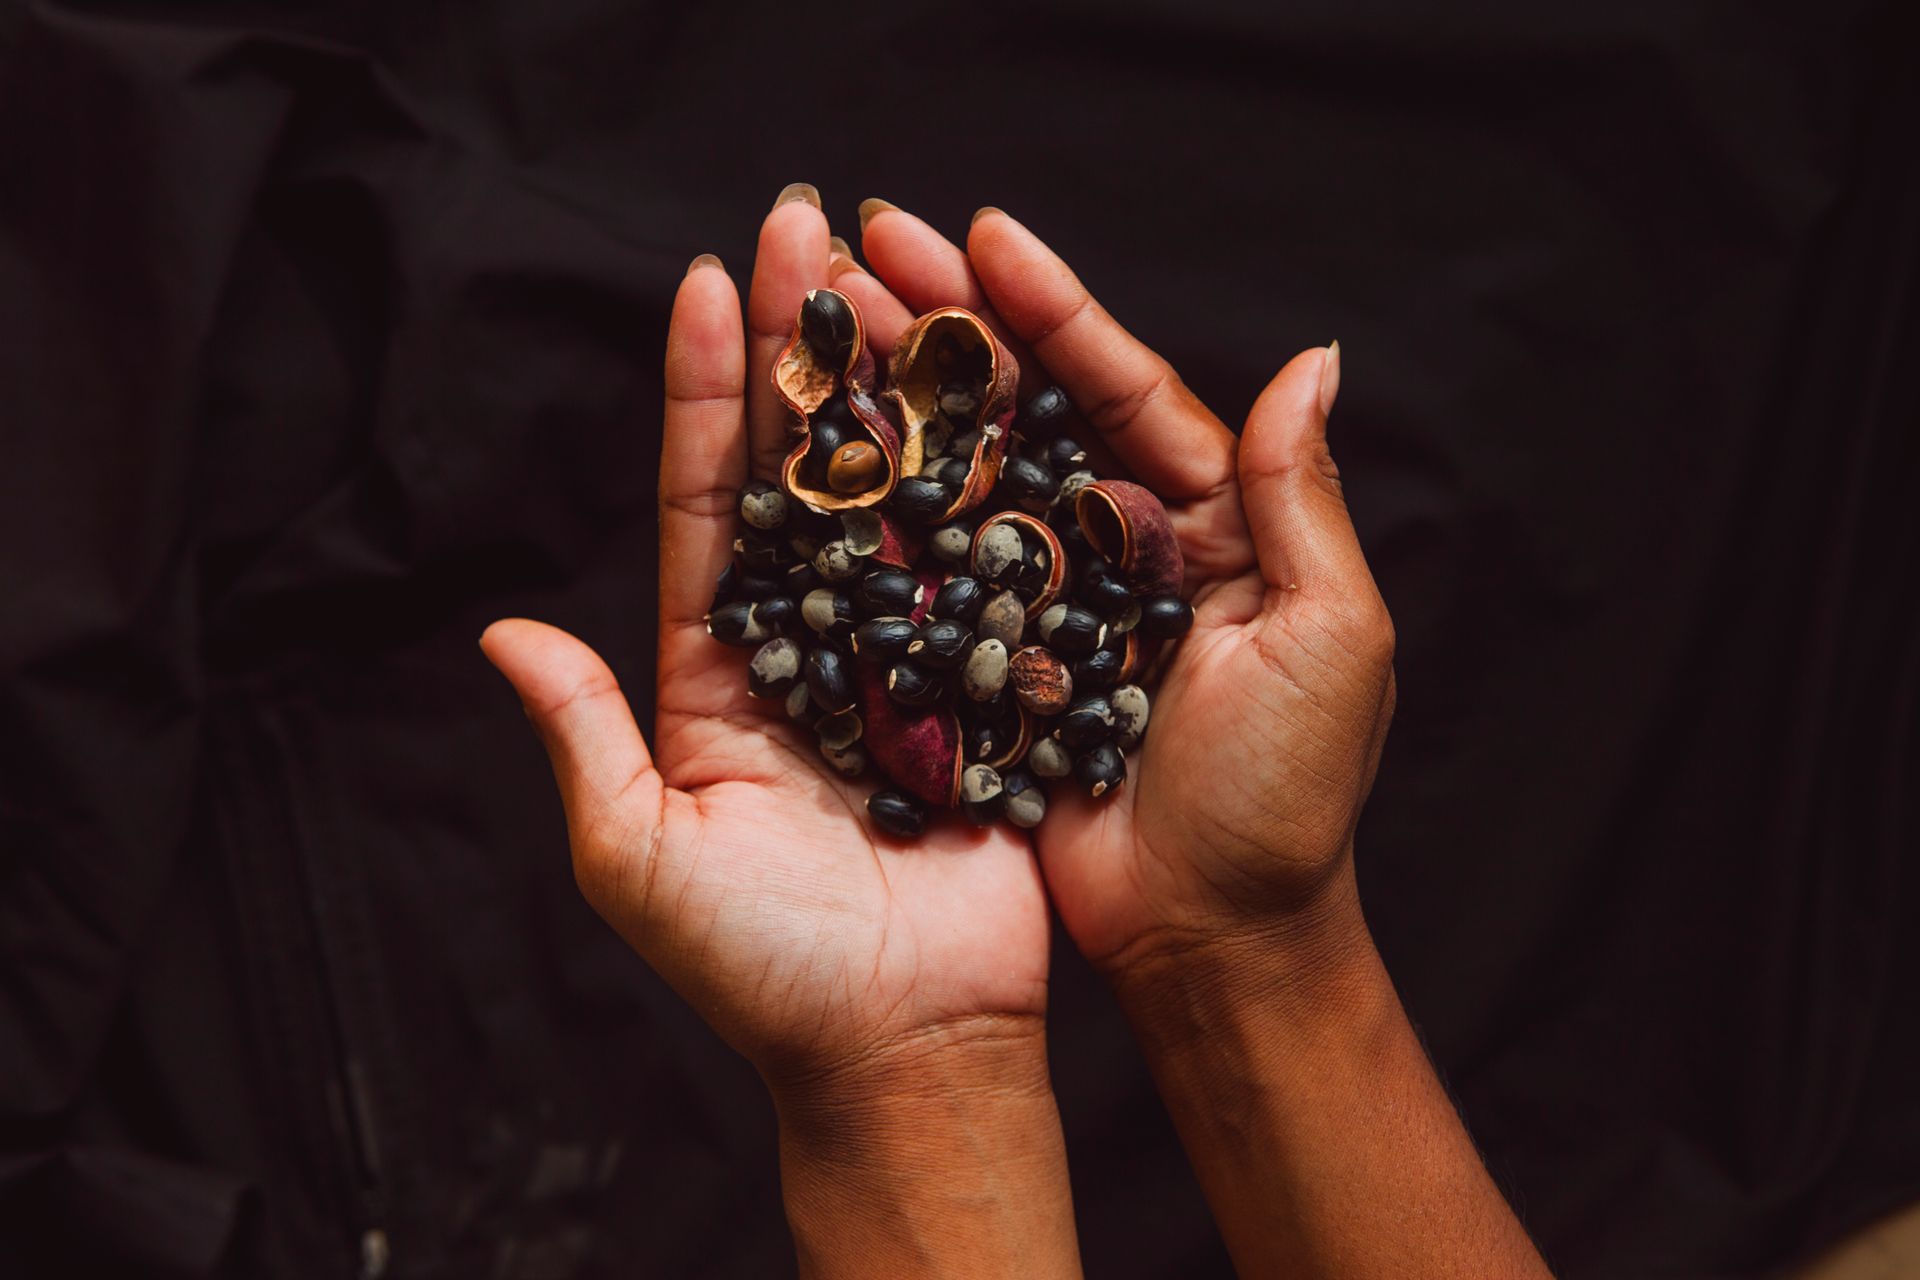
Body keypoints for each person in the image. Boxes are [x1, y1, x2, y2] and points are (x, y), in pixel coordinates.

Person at [480, 185, 1556, 1279]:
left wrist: (1250, 935)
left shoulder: (1032, 606)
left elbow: (1007, 627)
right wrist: (1250, 952)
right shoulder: (884, 595)